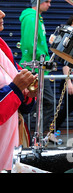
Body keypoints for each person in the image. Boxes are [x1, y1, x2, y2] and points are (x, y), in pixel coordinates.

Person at [0, 10, 38, 170]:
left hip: (11, 154)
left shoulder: (2, 47)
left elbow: (21, 104)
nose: (2, 14)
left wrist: (29, 92)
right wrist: (16, 88)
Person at [19, 0, 54, 136]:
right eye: (47, 1)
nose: (49, 4)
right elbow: (29, 44)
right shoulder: (31, 17)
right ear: (38, 1)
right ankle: (32, 133)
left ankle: (37, 133)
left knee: (43, 102)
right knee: (42, 102)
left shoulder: (37, 18)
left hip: (39, 67)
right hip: (34, 67)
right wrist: (44, 59)